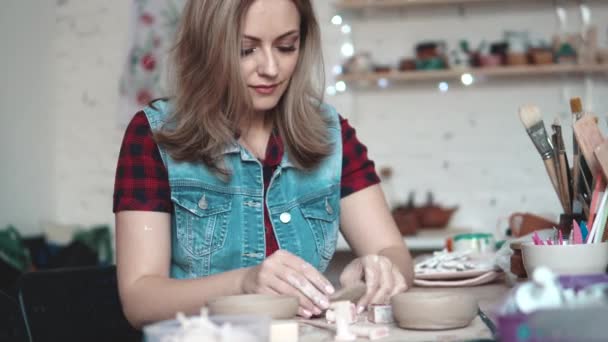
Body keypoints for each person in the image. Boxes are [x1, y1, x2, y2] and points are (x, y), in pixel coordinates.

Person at [113, 0, 414, 329]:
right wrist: (243, 284)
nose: (271, 68)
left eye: (286, 47)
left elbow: (392, 251)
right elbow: (139, 299)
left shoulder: (332, 134)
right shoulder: (153, 135)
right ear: (206, 46)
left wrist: (379, 268)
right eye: (246, 50)